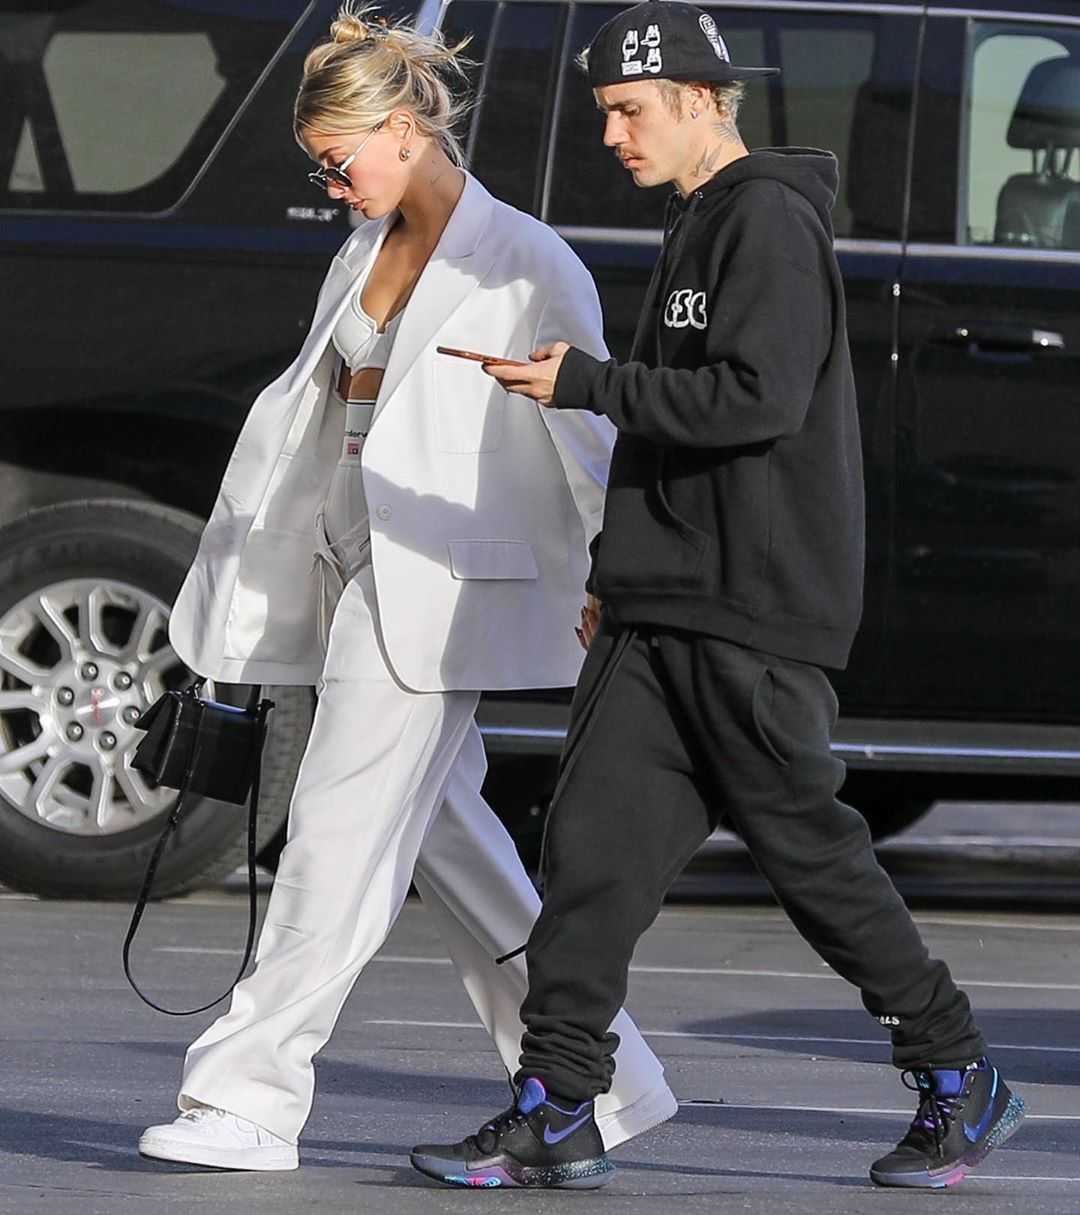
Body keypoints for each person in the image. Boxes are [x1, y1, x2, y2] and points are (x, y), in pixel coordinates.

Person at [410, 0, 1025, 1192]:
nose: (612, 136)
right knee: (588, 859)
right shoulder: (699, 219)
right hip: (659, 606)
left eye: (630, 111)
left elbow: (756, 400)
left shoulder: (769, 221)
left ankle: (960, 1073)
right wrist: (614, 574)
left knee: (813, 861)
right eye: (605, 114)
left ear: (700, 100)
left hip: (750, 609)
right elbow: (670, 437)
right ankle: (557, 1107)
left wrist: (586, 383)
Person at [136, 1, 676, 1172]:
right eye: (320, 169)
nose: (331, 186)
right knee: (447, 843)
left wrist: (613, 574)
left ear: (403, 129)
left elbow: (587, 439)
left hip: (439, 584)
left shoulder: (526, 260)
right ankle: (606, 1084)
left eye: (338, 162)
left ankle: (246, 1099)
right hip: (344, 568)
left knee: (333, 833)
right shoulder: (361, 248)